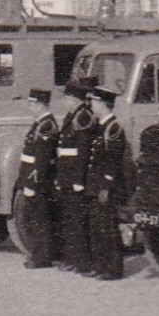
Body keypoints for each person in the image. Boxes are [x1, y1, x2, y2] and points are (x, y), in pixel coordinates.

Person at [85, 84, 128, 281]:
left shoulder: (113, 129)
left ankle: (112, 268)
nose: (91, 105)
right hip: (95, 186)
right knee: (96, 228)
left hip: (105, 187)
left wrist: (106, 187)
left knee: (108, 228)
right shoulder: (100, 128)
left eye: (94, 102)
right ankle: (100, 265)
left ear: (103, 104)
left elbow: (113, 161)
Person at [55, 77, 98, 273]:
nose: (64, 102)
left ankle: (84, 262)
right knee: (70, 219)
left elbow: (83, 151)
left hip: (75, 176)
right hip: (66, 175)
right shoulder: (71, 116)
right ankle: (73, 259)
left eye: (66, 98)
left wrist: (79, 179)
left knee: (79, 221)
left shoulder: (83, 117)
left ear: (74, 98)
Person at [15, 87, 60, 269]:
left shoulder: (47, 125)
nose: (30, 106)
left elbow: (42, 158)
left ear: (40, 104)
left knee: (39, 220)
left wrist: (33, 181)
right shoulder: (39, 124)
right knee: (34, 218)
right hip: (30, 177)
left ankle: (42, 257)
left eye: (32, 103)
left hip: (38, 180)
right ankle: (38, 254)